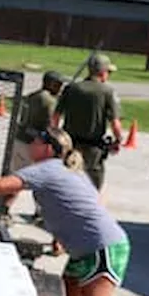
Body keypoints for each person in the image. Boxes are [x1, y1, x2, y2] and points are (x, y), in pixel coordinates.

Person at [0, 127, 130, 296]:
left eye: (35, 141)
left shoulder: (48, 168)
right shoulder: (66, 170)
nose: (30, 144)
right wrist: (61, 238)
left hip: (102, 247)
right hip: (84, 250)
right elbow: (77, 204)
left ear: (47, 148)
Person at [53, 54, 123, 192]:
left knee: (67, 179)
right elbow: (115, 122)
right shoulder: (107, 92)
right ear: (103, 72)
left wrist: (56, 137)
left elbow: (55, 117)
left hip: (70, 144)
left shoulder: (72, 88)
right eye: (108, 72)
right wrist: (118, 140)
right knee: (92, 185)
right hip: (93, 147)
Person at [11, 71, 65, 172]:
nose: (60, 89)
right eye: (58, 85)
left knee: (16, 175)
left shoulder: (32, 96)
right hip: (32, 143)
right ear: (50, 84)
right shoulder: (48, 99)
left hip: (21, 137)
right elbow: (50, 124)